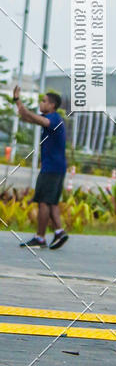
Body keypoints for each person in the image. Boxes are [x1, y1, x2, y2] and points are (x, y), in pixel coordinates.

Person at [13, 86, 69, 250]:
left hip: (52, 168)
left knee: (43, 201)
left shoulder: (54, 118)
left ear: (52, 105)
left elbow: (36, 118)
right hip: (56, 167)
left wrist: (20, 103)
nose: (41, 103)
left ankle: (40, 237)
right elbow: (26, 117)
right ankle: (59, 232)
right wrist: (17, 102)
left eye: (43, 101)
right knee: (51, 202)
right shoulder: (50, 119)